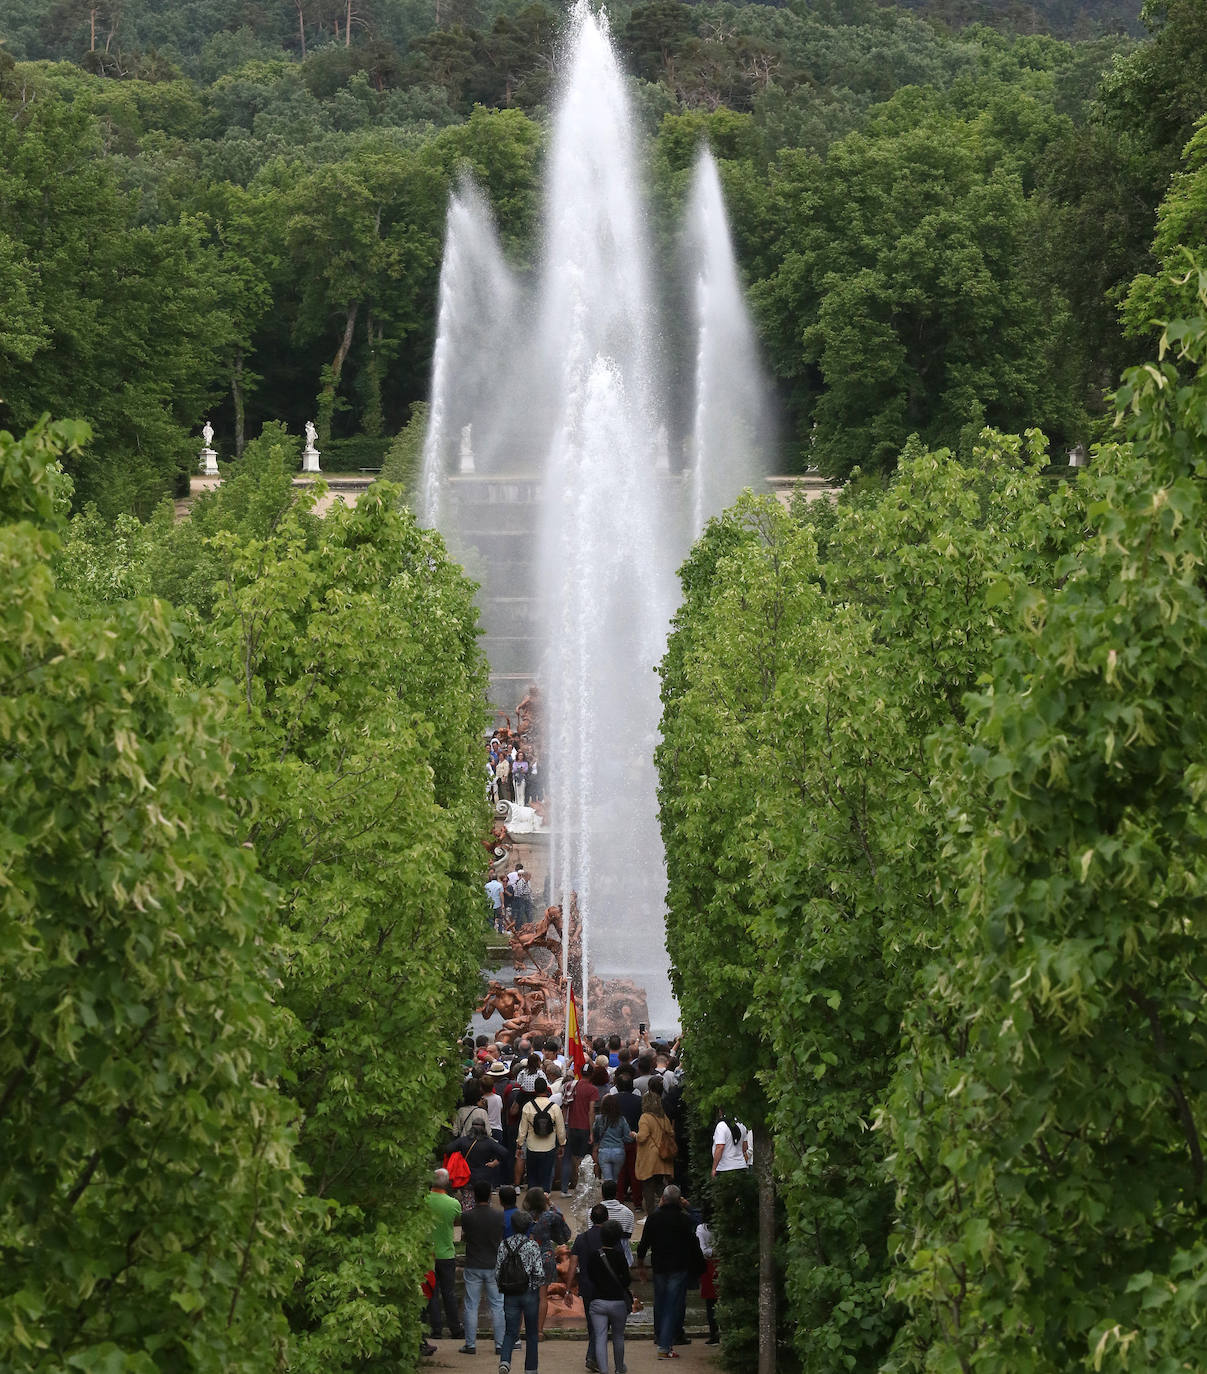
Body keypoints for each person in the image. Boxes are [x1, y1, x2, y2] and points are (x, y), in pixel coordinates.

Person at [635, 1184, 703, 1360]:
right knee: (673, 1304)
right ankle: (666, 1343)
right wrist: (688, 1206)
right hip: (679, 1266)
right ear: (679, 1201)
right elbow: (699, 1224)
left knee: (661, 1302)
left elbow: (643, 1244)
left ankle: (660, 1336)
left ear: (663, 1199)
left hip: (660, 1266)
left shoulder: (654, 1218)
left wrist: (641, 1265)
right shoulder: (684, 1219)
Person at [496, 1209, 544, 1374]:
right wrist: (535, 1286)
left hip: (510, 1292)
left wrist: (502, 1286)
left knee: (510, 1331)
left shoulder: (504, 1244)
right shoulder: (532, 1245)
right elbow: (539, 1273)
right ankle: (531, 1369)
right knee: (531, 1332)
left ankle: (505, 1360)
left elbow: (498, 1271)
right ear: (529, 1227)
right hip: (529, 1292)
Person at [461, 1179, 506, 1356]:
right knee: (497, 1305)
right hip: (493, 1262)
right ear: (489, 1196)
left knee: (471, 1304)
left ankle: (470, 1344)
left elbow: (465, 1236)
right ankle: (500, 1344)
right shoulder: (498, 1216)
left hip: (473, 1263)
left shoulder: (467, 1216)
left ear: (473, 1195)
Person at [566, 1203, 609, 1372]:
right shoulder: (610, 1238)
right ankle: (593, 1357)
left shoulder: (581, 1239)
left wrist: (568, 1289)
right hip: (606, 1287)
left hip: (587, 1287)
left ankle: (595, 1356)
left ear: (591, 1219)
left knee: (593, 1324)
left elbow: (572, 1265)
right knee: (604, 1325)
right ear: (607, 1218)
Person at [524, 1187, 571, 1339]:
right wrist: (551, 1204)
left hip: (527, 1258)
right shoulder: (550, 1216)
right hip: (545, 1256)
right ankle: (538, 1331)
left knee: (526, 1295)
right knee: (542, 1297)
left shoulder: (523, 1217)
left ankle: (523, 1330)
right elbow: (565, 1236)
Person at [587, 1219, 632, 1374]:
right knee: (618, 1336)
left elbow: (590, 1277)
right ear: (618, 1237)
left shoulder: (594, 1256)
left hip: (598, 1301)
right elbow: (627, 1280)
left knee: (600, 1337)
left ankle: (604, 1370)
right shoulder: (620, 1256)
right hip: (617, 1302)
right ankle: (619, 1368)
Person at [425, 1169, 465, 1342]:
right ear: (447, 1183)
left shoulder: (423, 1201)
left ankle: (436, 1329)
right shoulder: (453, 1203)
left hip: (427, 1254)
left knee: (431, 1293)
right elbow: (457, 1221)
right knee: (449, 1292)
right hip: (446, 1253)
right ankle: (455, 1328)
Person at [517, 1076, 566, 1193]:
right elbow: (561, 1129)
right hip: (549, 1147)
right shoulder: (554, 1107)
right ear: (547, 1090)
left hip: (532, 1146)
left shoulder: (528, 1106)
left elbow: (522, 1129)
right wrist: (562, 1144)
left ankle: (533, 1199)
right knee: (547, 1175)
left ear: (535, 1090)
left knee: (532, 1176)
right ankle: (545, 1198)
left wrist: (519, 1145)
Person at [634, 1091, 676, 1217]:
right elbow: (671, 1132)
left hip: (649, 1157)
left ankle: (651, 1215)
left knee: (648, 1187)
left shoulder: (645, 1117)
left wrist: (634, 1135)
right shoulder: (664, 1117)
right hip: (663, 1155)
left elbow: (642, 1137)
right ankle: (671, 1208)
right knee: (660, 1185)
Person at [562, 1065, 600, 1195]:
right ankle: (581, 1187)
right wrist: (591, 1132)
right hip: (584, 1127)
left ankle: (566, 1188)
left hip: (571, 1126)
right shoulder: (593, 1090)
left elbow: (565, 1107)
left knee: (569, 1157)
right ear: (591, 1074)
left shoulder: (570, 1086)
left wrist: (563, 1126)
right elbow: (591, 1111)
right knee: (584, 1158)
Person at [592, 1094, 633, 1186]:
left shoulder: (599, 1119)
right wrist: (620, 1139)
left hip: (604, 1151)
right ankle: (614, 1198)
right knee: (616, 1180)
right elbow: (628, 1138)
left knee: (608, 1180)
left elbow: (595, 1134)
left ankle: (608, 1198)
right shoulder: (621, 1119)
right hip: (618, 1151)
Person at [599, 1179, 635, 1263]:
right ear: (616, 1193)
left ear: (602, 1194)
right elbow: (627, 1236)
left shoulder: (593, 1212)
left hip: (601, 1260)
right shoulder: (628, 1213)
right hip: (625, 1259)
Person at [711, 1110, 751, 1177]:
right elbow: (745, 1147)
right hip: (741, 1166)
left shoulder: (721, 1126)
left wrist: (714, 1168)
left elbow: (720, 1147)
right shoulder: (741, 1125)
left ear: (721, 1111)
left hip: (725, 1168)